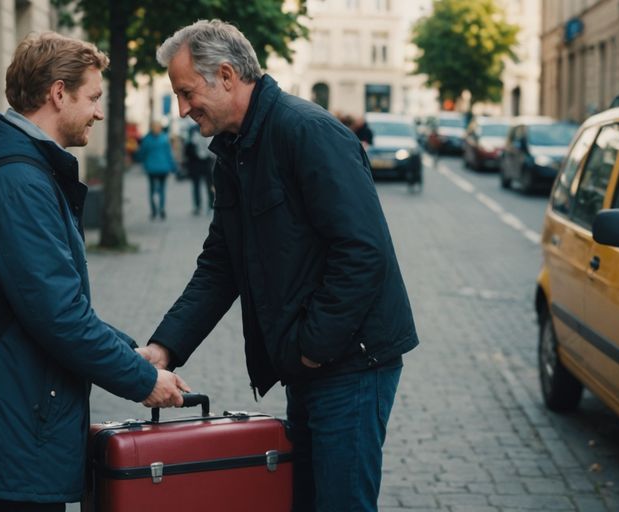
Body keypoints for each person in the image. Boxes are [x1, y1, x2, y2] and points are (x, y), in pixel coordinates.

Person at [139, 20, 419, 511]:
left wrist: (312, 346)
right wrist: (164, 349)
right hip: (312, 365)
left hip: (351, 364)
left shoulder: (307, 132)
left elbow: (364, 251)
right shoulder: (234, 153)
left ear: (226, 75)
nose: (183, 109)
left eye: (186, 93)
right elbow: (220, 265)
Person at [0, 32, 189, 512]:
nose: (99, 112)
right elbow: (59, 316)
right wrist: (142, 380)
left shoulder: (25, 173)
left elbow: (45, 302)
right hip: (16, 427)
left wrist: (128, 350)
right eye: (92, 97)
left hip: (20, 416)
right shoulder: (19, 183)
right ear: (58, 93)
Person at [136, 121, 178, 220]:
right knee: (162, 190)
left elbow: (142, 153)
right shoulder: (164, 138)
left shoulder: (146, 139)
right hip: (163, 168)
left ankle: (154, 211)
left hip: (151, 169)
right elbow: (169, 154)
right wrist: (173, 167)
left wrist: (139, 159)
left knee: (152, 190)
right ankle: (162, 209)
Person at [183, 117, 215, 214]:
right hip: (197, 162)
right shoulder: (192, 131)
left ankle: (209, 205)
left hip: (206, 161)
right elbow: (188, 147)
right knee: (198, 185)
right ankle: (198, 206)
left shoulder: (209, 129)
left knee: (208, 185)